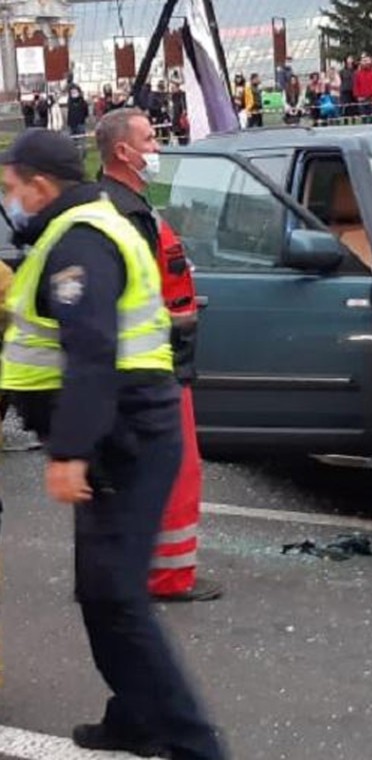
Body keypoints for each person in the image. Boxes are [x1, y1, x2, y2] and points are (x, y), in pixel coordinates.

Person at [0, 128, 228, 758]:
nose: (10, 199)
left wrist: (70, 451)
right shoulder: (74, 229)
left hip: (121, 437)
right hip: (120, 434)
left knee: (118, 600)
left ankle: (192, 745)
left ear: (41, 185)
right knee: (103, 592)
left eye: (12, 187)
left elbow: (92, 352)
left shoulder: (80, 243)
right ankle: (132, 717)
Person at [95, 108, 224, 604]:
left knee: (132, 474)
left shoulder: (129, 206)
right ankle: (168, 577)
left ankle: (125, 571)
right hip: (155, 371)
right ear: (124, 152)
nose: (158, 149)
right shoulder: (124, 215)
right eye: (150, 140)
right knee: (174, 472)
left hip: (146, 368)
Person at [353, 54, 372, 124]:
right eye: (364, 61)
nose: (365, 62)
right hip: (362, 97)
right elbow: (356, 85)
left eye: (367, 60)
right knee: (363, 117)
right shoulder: (358, 73)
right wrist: (358, 96)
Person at [65, 85, 89, 158]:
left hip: (80, 124)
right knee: (72, 142)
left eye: (75, 92)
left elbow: (86, 113)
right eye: (72, 92)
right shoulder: (69, 102)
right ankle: (74, 155)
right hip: (71, 124)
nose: (73, 93)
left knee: (81, 141)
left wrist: (82, 119)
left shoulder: (83, 102)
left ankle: (82, 155)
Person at [340, 55, 359, 124]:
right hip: (345, 91)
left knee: (354, 107)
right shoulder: (342, 71)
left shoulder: (356, 70)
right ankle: (346, 122)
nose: (350, 61)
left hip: (354, 91)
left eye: (351, 59)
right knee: (346, 107)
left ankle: (354, 121)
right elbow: (341, 79)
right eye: (348, 59)